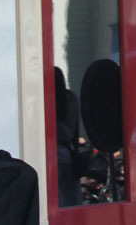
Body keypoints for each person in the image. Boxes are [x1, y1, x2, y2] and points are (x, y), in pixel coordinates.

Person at [55, 66, 84, 207]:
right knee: (72, 194)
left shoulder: (47, 102)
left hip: (52, 152)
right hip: (68, 150)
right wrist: (76, 151)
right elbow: (76, 128)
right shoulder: (72, 98)